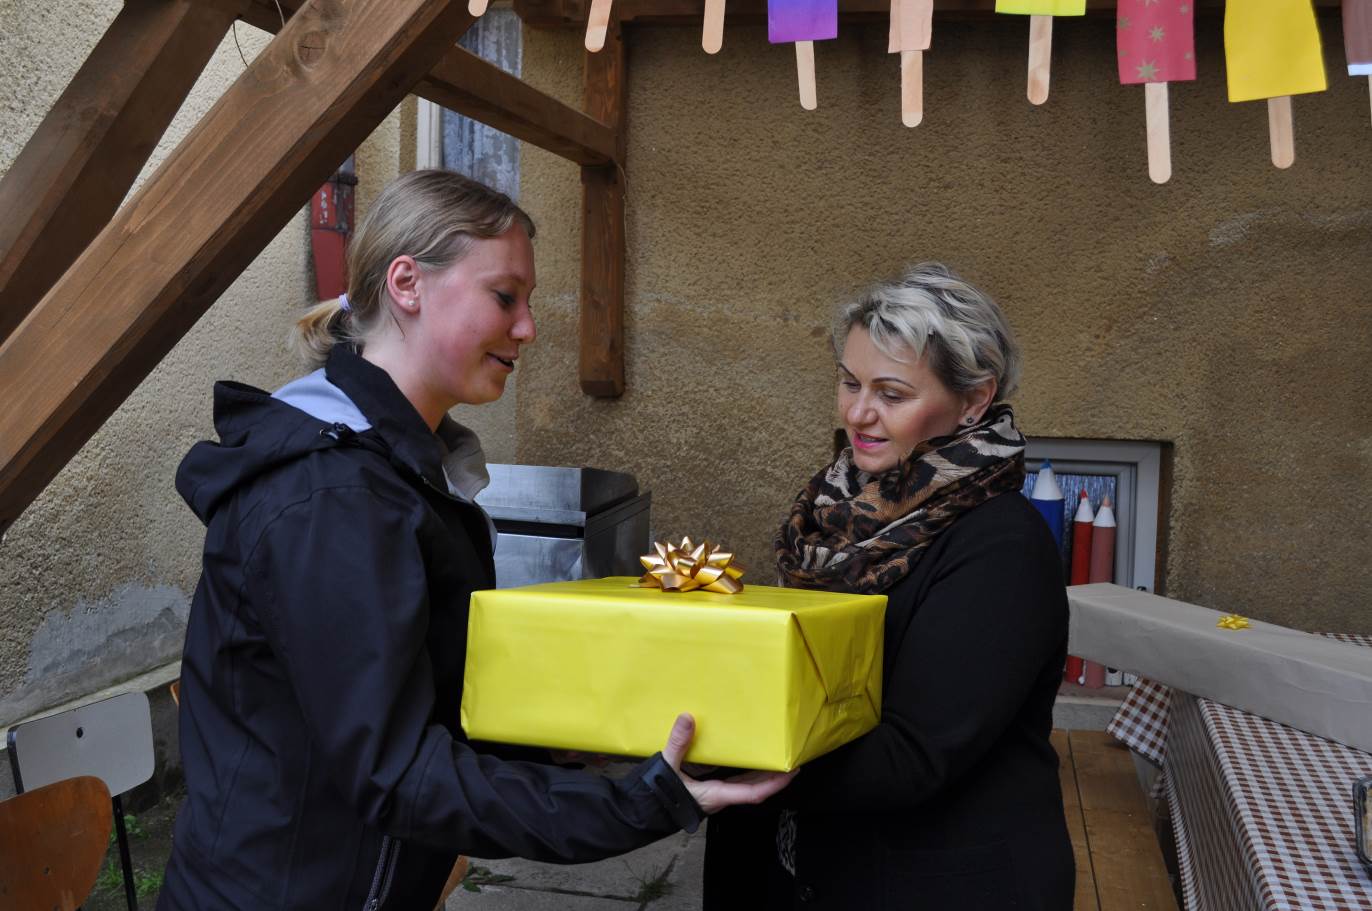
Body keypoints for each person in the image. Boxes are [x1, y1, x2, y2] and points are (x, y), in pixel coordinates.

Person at [159, 170, 791, 911]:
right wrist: (639, 803)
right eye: (505, 297)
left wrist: (565, 736)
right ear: (407, 283)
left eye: (528, 302)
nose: (528, 328)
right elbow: (397, 773)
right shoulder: (332, 495)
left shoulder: (409, 469)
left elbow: (436, 706)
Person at [703, 263, 1073, 910]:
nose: (858, 412)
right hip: (804, 863)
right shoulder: (840, 507)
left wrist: (714, 747)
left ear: (975, 399)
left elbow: (913, 754)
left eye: (892, 394)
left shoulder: (1002, 545)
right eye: (849, 382)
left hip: (935, 883)